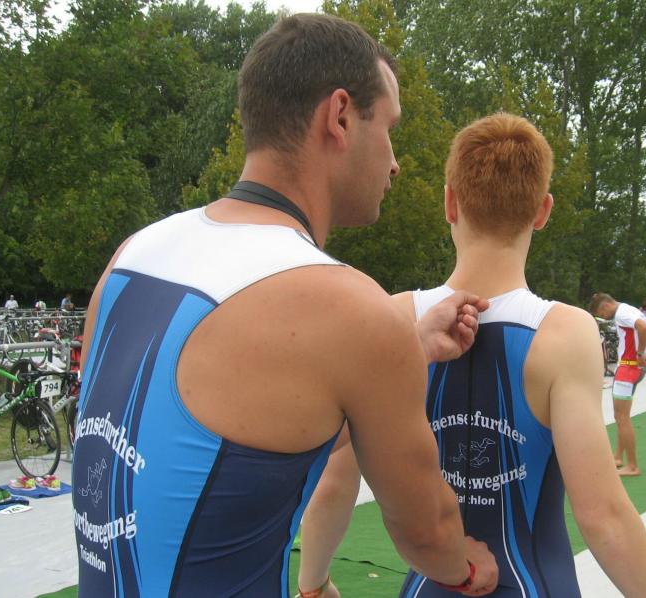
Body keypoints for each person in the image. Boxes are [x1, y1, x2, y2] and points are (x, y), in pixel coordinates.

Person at [72, 14, 498, 597]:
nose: (395, 161)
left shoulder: (135, 251)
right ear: (340, 116)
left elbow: (224, 444)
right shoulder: (348, 305)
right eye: (389, 128)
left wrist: (412, 348)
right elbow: (426, 532)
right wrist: (468, 567)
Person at [298, 114, 646, 597]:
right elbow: (603, 515)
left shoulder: (395, 317)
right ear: (543, 211)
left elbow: (334, 482)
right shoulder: (564, 333)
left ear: (449, 203)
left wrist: (314, 584)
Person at [589, 293, 646, 477]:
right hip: (635, 370)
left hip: (628, 369)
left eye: (601, 314)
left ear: (605, 305)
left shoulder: (622, 314)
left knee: (621, 418)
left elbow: (643, 328)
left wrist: (640, 353)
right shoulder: (630, 309)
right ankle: (618, 457)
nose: (604, 317)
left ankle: (632, 466)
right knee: (622, 417)